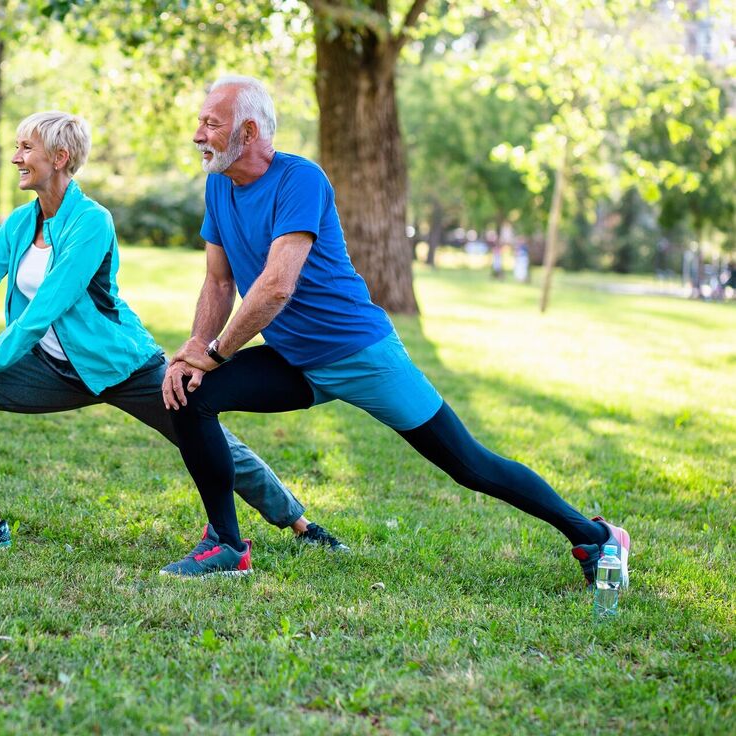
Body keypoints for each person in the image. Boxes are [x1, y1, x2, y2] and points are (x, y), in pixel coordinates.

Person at [160, 76, 631, 583]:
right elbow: (218, 279)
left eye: (211, 123)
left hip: (359, 353)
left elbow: (276, 286)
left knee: (469, 464)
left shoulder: (301, 180)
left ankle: (595, 535)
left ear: (249, 131)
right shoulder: (218, 186)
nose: (198, 135)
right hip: (294, 361)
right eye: (201, 122)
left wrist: (217, 351)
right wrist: (193, 355)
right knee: (191, 394)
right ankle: (226, 546)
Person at [0, 110, 347, 552]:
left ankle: (300, 523)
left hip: (122, 366)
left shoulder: (92, 222)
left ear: (58, 157)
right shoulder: (20, 224)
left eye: (25, 147)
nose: (16, 157)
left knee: (207, 438)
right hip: (52, 369)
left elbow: (45, 307)